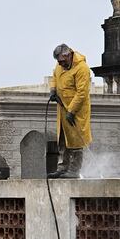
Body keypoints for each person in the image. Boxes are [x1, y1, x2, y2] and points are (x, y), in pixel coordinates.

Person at [48, 44, 92, 179]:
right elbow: (55, 76)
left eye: (62, 61)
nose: (60, 64)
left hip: (77, 111)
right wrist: (53, 90)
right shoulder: (60, 66)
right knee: (63, 139)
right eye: (58, 62)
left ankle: (74, 170)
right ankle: (62, 168)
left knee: (76, 141)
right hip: (62, 108)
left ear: (68, 55)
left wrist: (72, 111)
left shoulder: (81, 68)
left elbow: (82, 93)